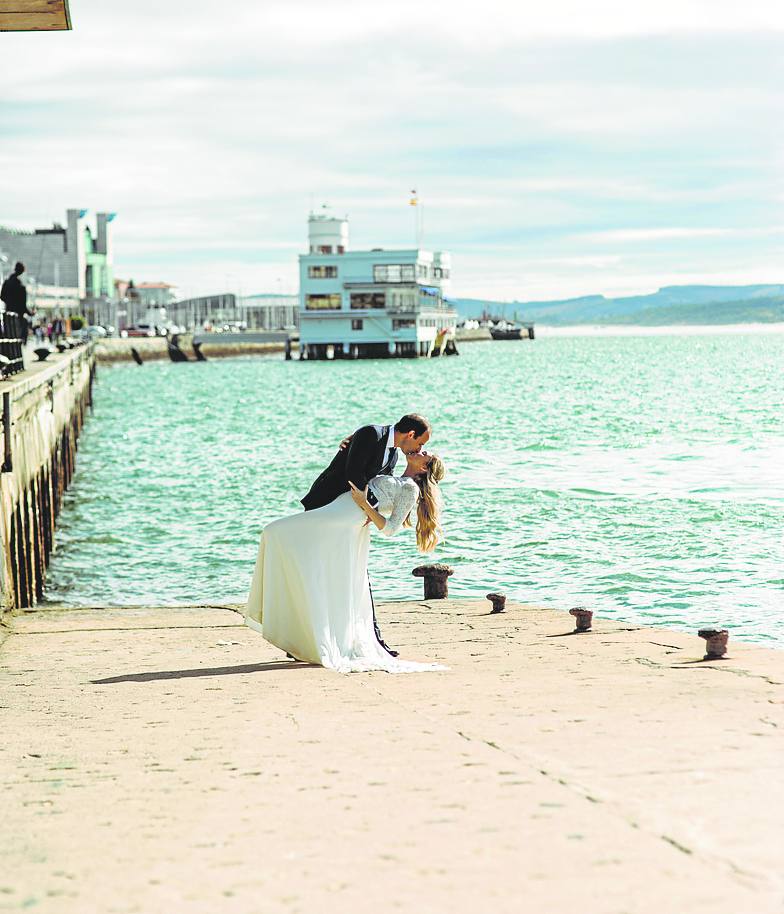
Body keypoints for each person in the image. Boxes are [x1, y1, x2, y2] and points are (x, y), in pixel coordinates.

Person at [244, 420, 447, 674]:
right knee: (308, 559)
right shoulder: (389, 455)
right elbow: (361, 472)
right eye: (422, 444)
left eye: (425, 451)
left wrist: (364, 506)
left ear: (425, 467)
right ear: (411, 434)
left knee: (278, 534)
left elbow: (389, 527)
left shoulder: (409, 487)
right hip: (335, 506)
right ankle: (300, 633)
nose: (421, 449)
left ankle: (311, 635)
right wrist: (351, 447)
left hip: (346, 516)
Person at [0, 262, 34, 343]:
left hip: (8, 313)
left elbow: (2, 296)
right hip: (18, 316)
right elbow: (23, 306)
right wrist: (30, 313)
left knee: (9, 333)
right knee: (17, 335)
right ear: (22, 272)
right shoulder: (21, 288)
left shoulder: (7, 283)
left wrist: (9, 302)